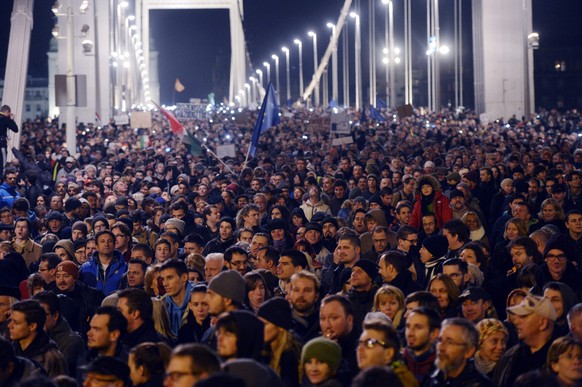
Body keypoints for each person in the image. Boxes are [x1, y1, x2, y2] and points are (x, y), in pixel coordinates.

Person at [493, 293, 557, 386]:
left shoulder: (563, 358)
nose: (516, 321)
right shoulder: (509, 357)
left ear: (543, 323)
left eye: (523, 316)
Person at [427, 317, 495, 386]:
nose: (441, 347)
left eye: (450, 342)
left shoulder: (482, 385)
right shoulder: (432, 378)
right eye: (440, 340)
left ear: (468, 351)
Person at [9, 299, 68, 378]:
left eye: (16, 322)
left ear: (32, 326)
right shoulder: (9, 351)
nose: (9, 326)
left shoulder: (52, 359)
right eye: (11, 321)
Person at [33, 291, 84, 376]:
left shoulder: (72, 342)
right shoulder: (30, 334)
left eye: (41, 314)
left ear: (55, 315)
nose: (36, 319)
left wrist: (42, 338)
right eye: (33, 314)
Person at [257, 297, 301, 386]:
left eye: (264, 324)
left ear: (280, 327)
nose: (259, 328)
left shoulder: (291, 355)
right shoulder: (263, 352)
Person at [80, 230, 128, 296]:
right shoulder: (85, 268)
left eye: (110, 241)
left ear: (114, 244)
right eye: (102, 241)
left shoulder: (125, 267)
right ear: (96, 245)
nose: (106, 244)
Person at [403, 307, 441, 385]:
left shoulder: (443, 367)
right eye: (408, 326)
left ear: (434, 333)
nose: (410, 333)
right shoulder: (396, 362)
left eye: (418, 327)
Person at [159, 259, 194, 340]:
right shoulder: (161, 304)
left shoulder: (201, 299)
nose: (165, 284)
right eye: (163, 279)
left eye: (170, 278)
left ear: (184, 277)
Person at [289, 270, 321, 343]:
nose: (301, 295)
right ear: (290, 293)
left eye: (307, 290)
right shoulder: (281, 321)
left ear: (316, 295)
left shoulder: (324, 321)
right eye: (296, 290)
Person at [0, 106, 18, 177]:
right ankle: (2, 178)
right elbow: (15, 129)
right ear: (7, 112)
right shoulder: (5, 119)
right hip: (1, 144)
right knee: (3, 162)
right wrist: (12, 119)